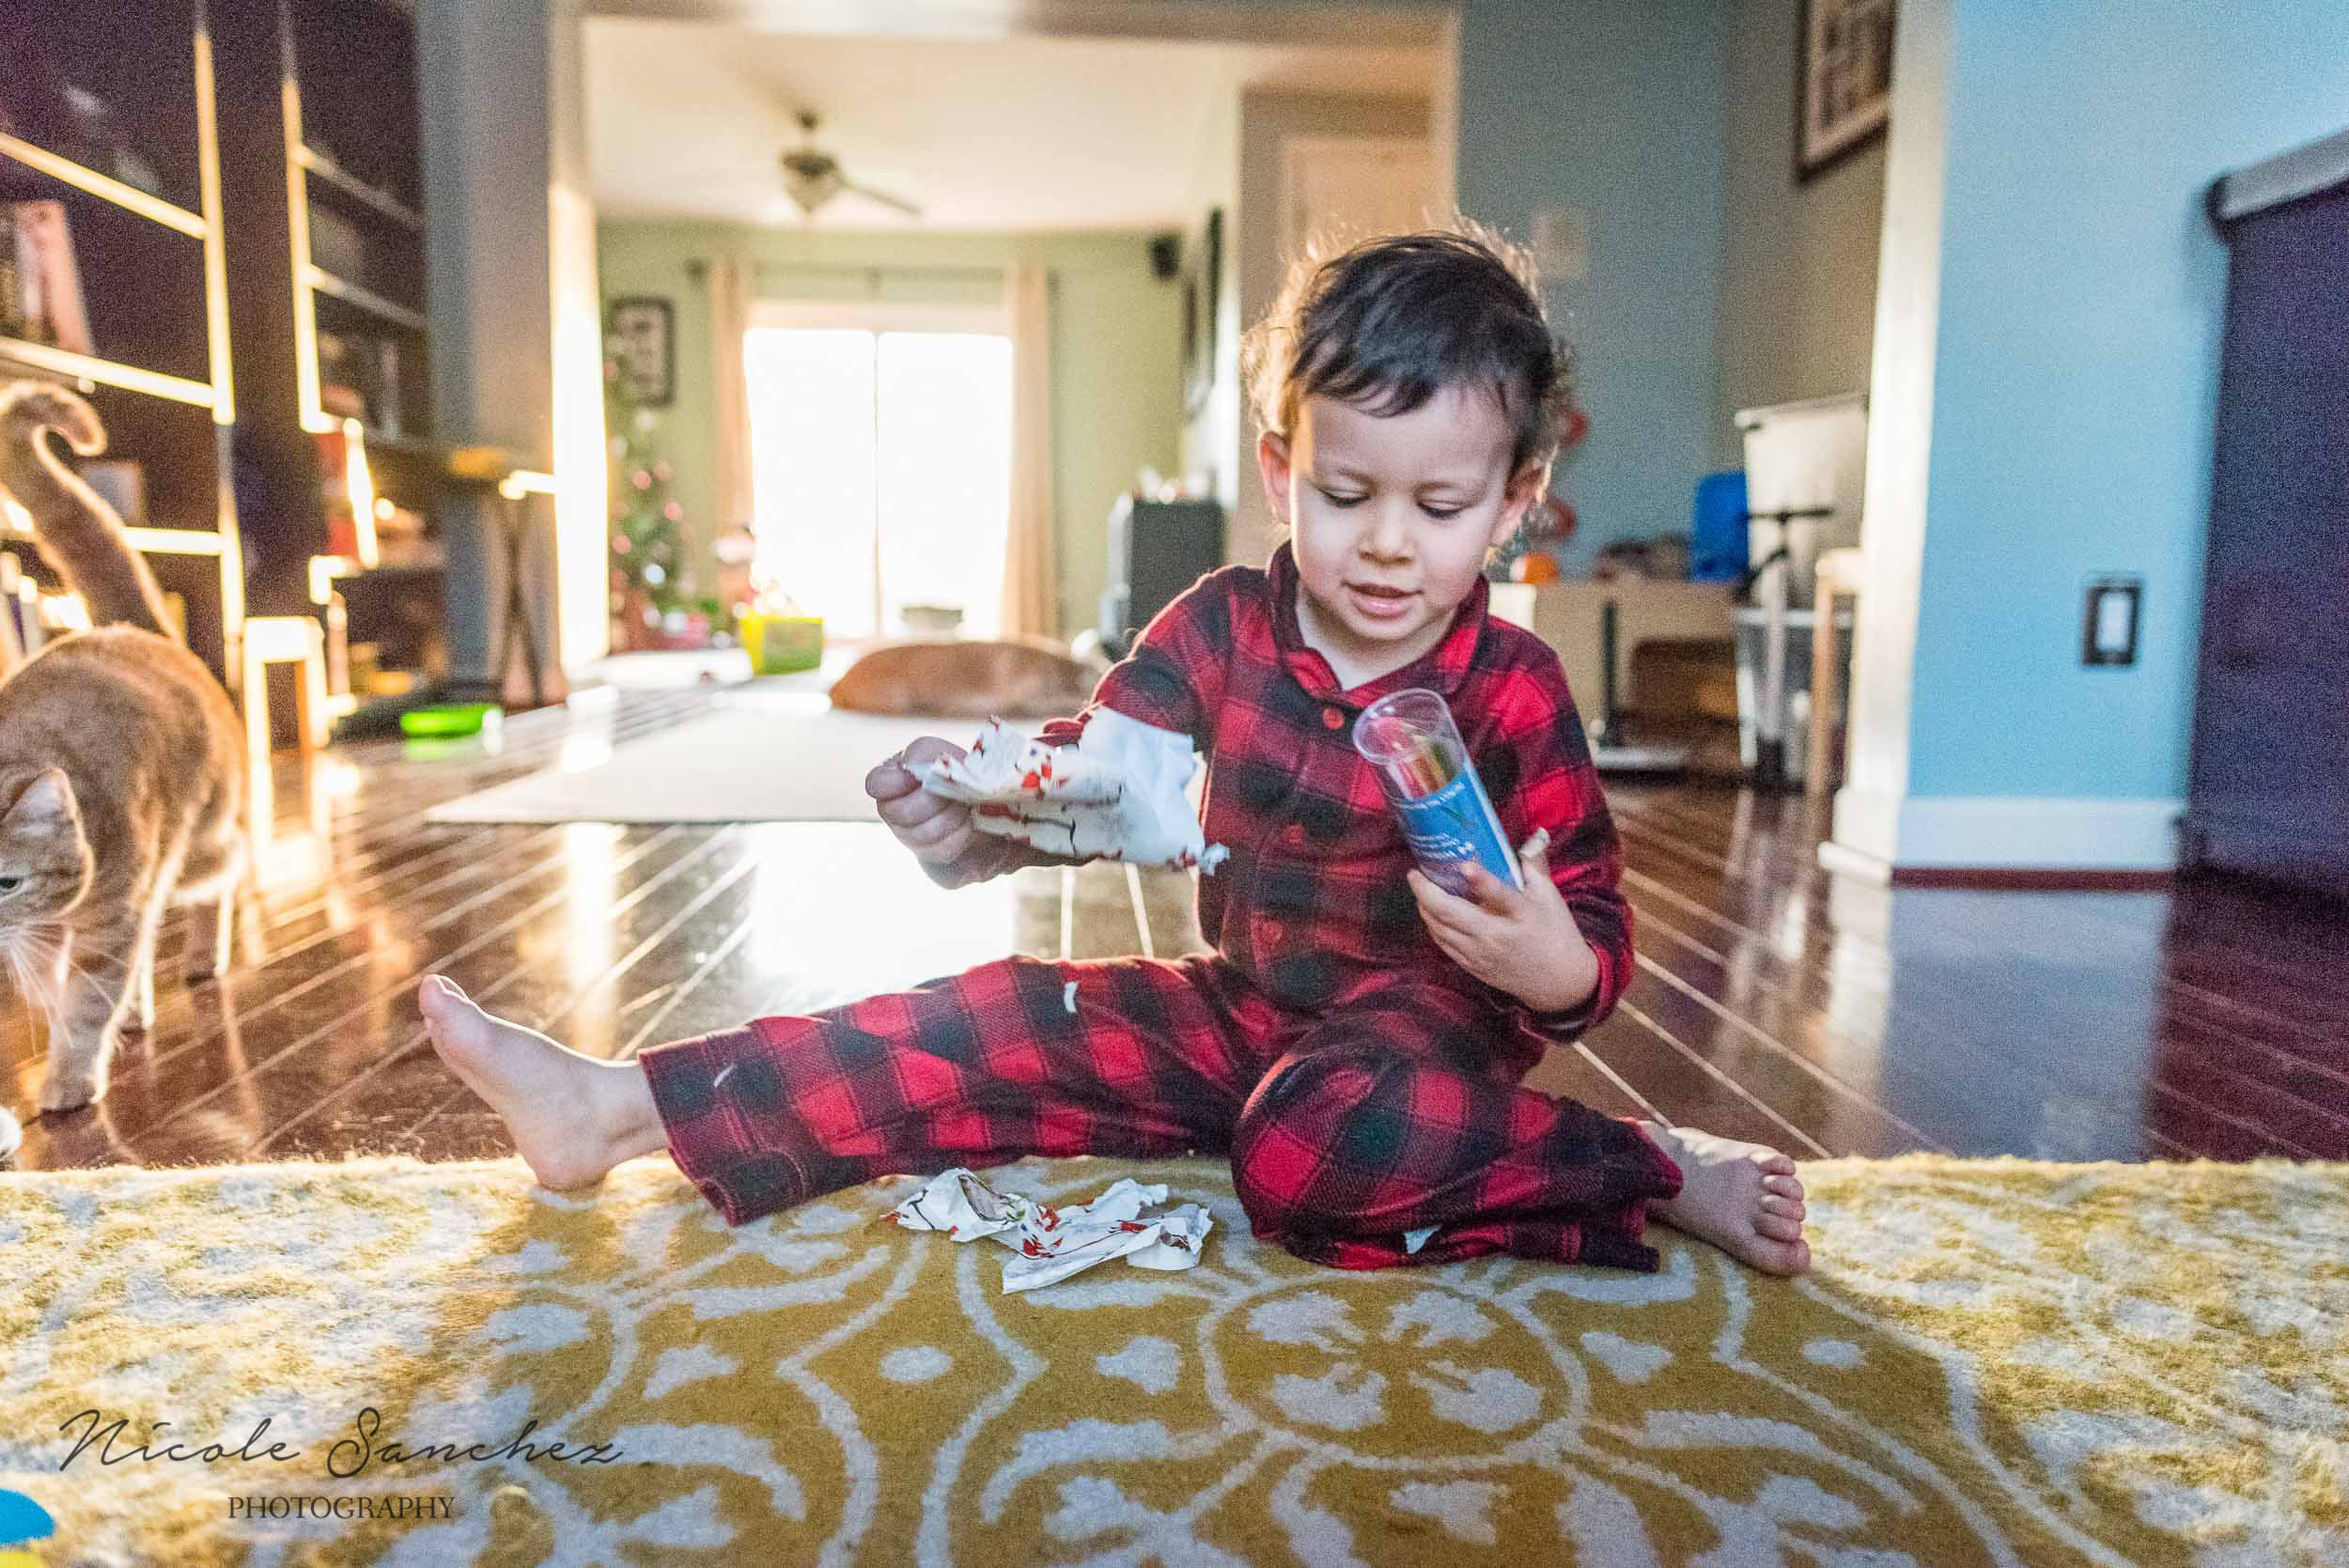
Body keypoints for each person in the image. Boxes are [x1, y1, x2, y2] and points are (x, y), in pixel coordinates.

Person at [418, 226, 1809, 1277]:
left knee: (1304, 1145)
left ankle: (1642, 1166)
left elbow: (1599, 947)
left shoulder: (1513, 687)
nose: (1388, 540)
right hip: (1243, 1006)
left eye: (1440, 504)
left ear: (1515, 502)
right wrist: (975, 824)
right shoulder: (1222, 624)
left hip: (1417, 1034)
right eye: (1345, 492)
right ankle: (610, 1109)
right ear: (1281, 471)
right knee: (1003, 1011)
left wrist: (1547, 966)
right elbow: (1097, 781)